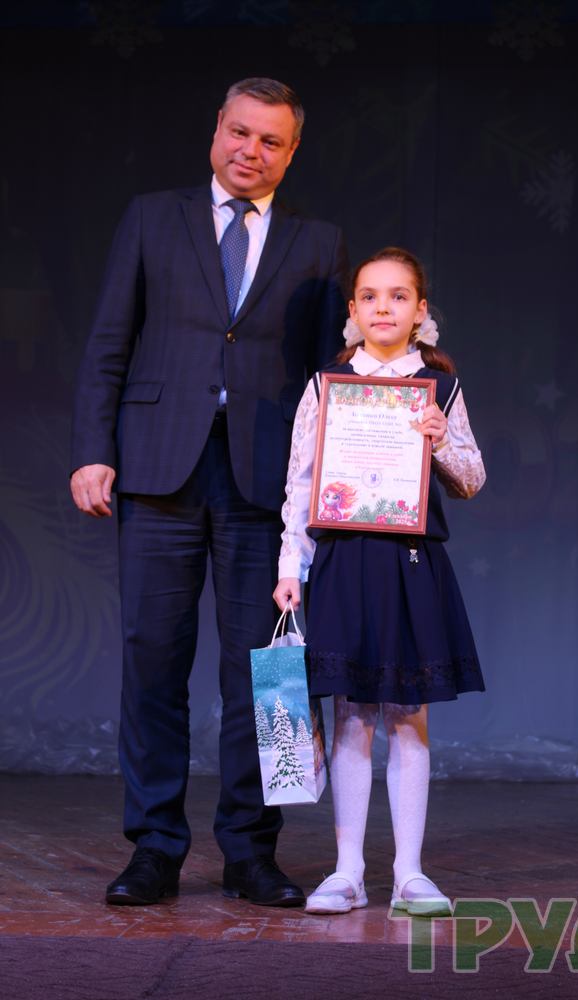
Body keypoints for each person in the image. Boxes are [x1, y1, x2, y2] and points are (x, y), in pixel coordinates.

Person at [69, 78, 347, 908]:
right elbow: (109, 341)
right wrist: (93, 452)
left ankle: (253, 851)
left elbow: (329, 376)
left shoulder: (318, 241)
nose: (249, 151)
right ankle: (153, 847)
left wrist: (340, 477)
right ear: (216, 130)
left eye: (270, 141)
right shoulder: (153, 217)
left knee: (269, 671)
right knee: (152, 659)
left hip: (267, 480)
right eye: (239, 132)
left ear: (290, 154)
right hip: (158, 468)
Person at [273, 247, 485, 915]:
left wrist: (440, 438)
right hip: (344, 560)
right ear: (353, 310)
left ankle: (409, 873)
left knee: (409, 718)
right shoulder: (327, 385)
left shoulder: (439, 388)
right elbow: (301, 482)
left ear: (419, 310)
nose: (383, 307)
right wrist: (290, 567)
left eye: (398, 296)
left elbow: (472, 479)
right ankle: (347, 872)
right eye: (370, 296)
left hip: (410, 564)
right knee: (351, 717)